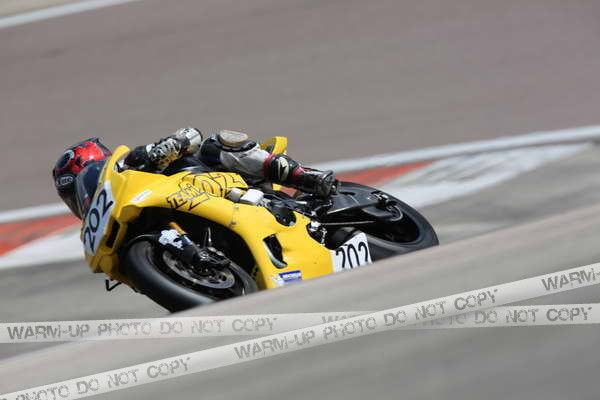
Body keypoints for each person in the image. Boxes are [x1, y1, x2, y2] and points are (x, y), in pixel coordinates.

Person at [52, 128, 338, 219]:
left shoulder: (132, 163)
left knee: (217, 144)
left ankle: (304, 177)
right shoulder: (112, 222)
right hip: (189, 214)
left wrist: (165, 149)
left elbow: (190, 135)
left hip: (213, 185)